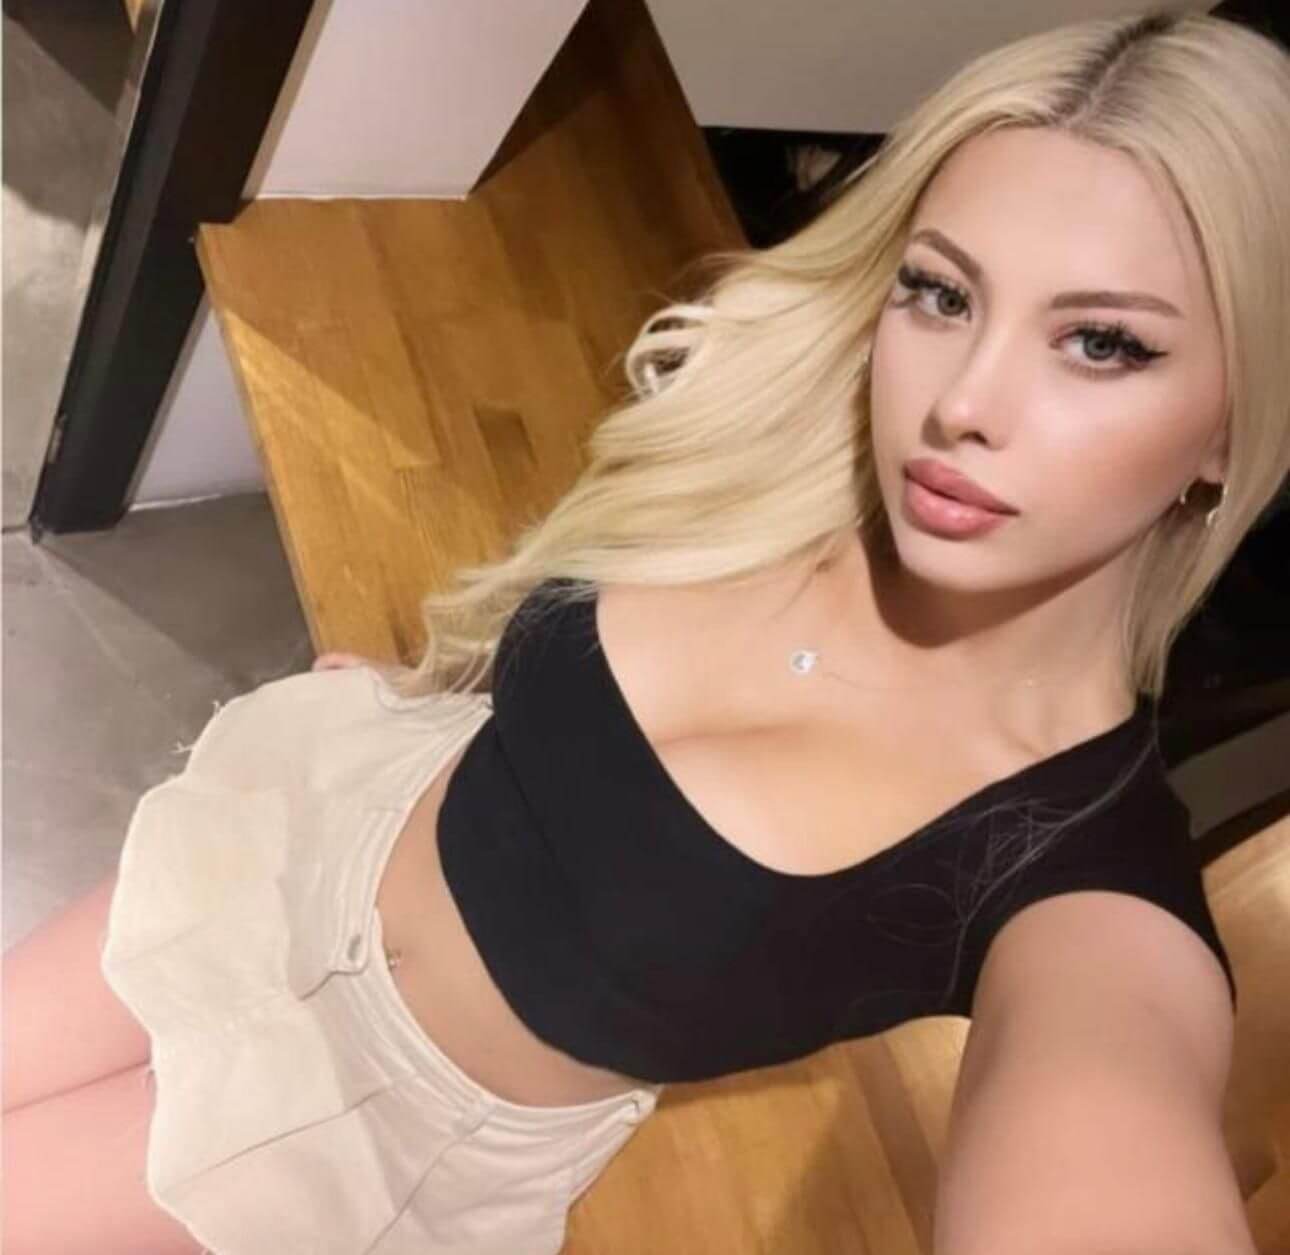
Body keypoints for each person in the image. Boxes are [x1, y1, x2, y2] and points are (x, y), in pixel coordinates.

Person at [4, 8, 1285, 1252]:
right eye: (942, 294)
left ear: (1233, 427)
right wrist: (428, 701)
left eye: (1103, 343)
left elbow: (1111, 1119)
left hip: (356, 1127)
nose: (964, 403)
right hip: (312, 830)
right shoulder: (790, 458)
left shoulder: (1078, 890)